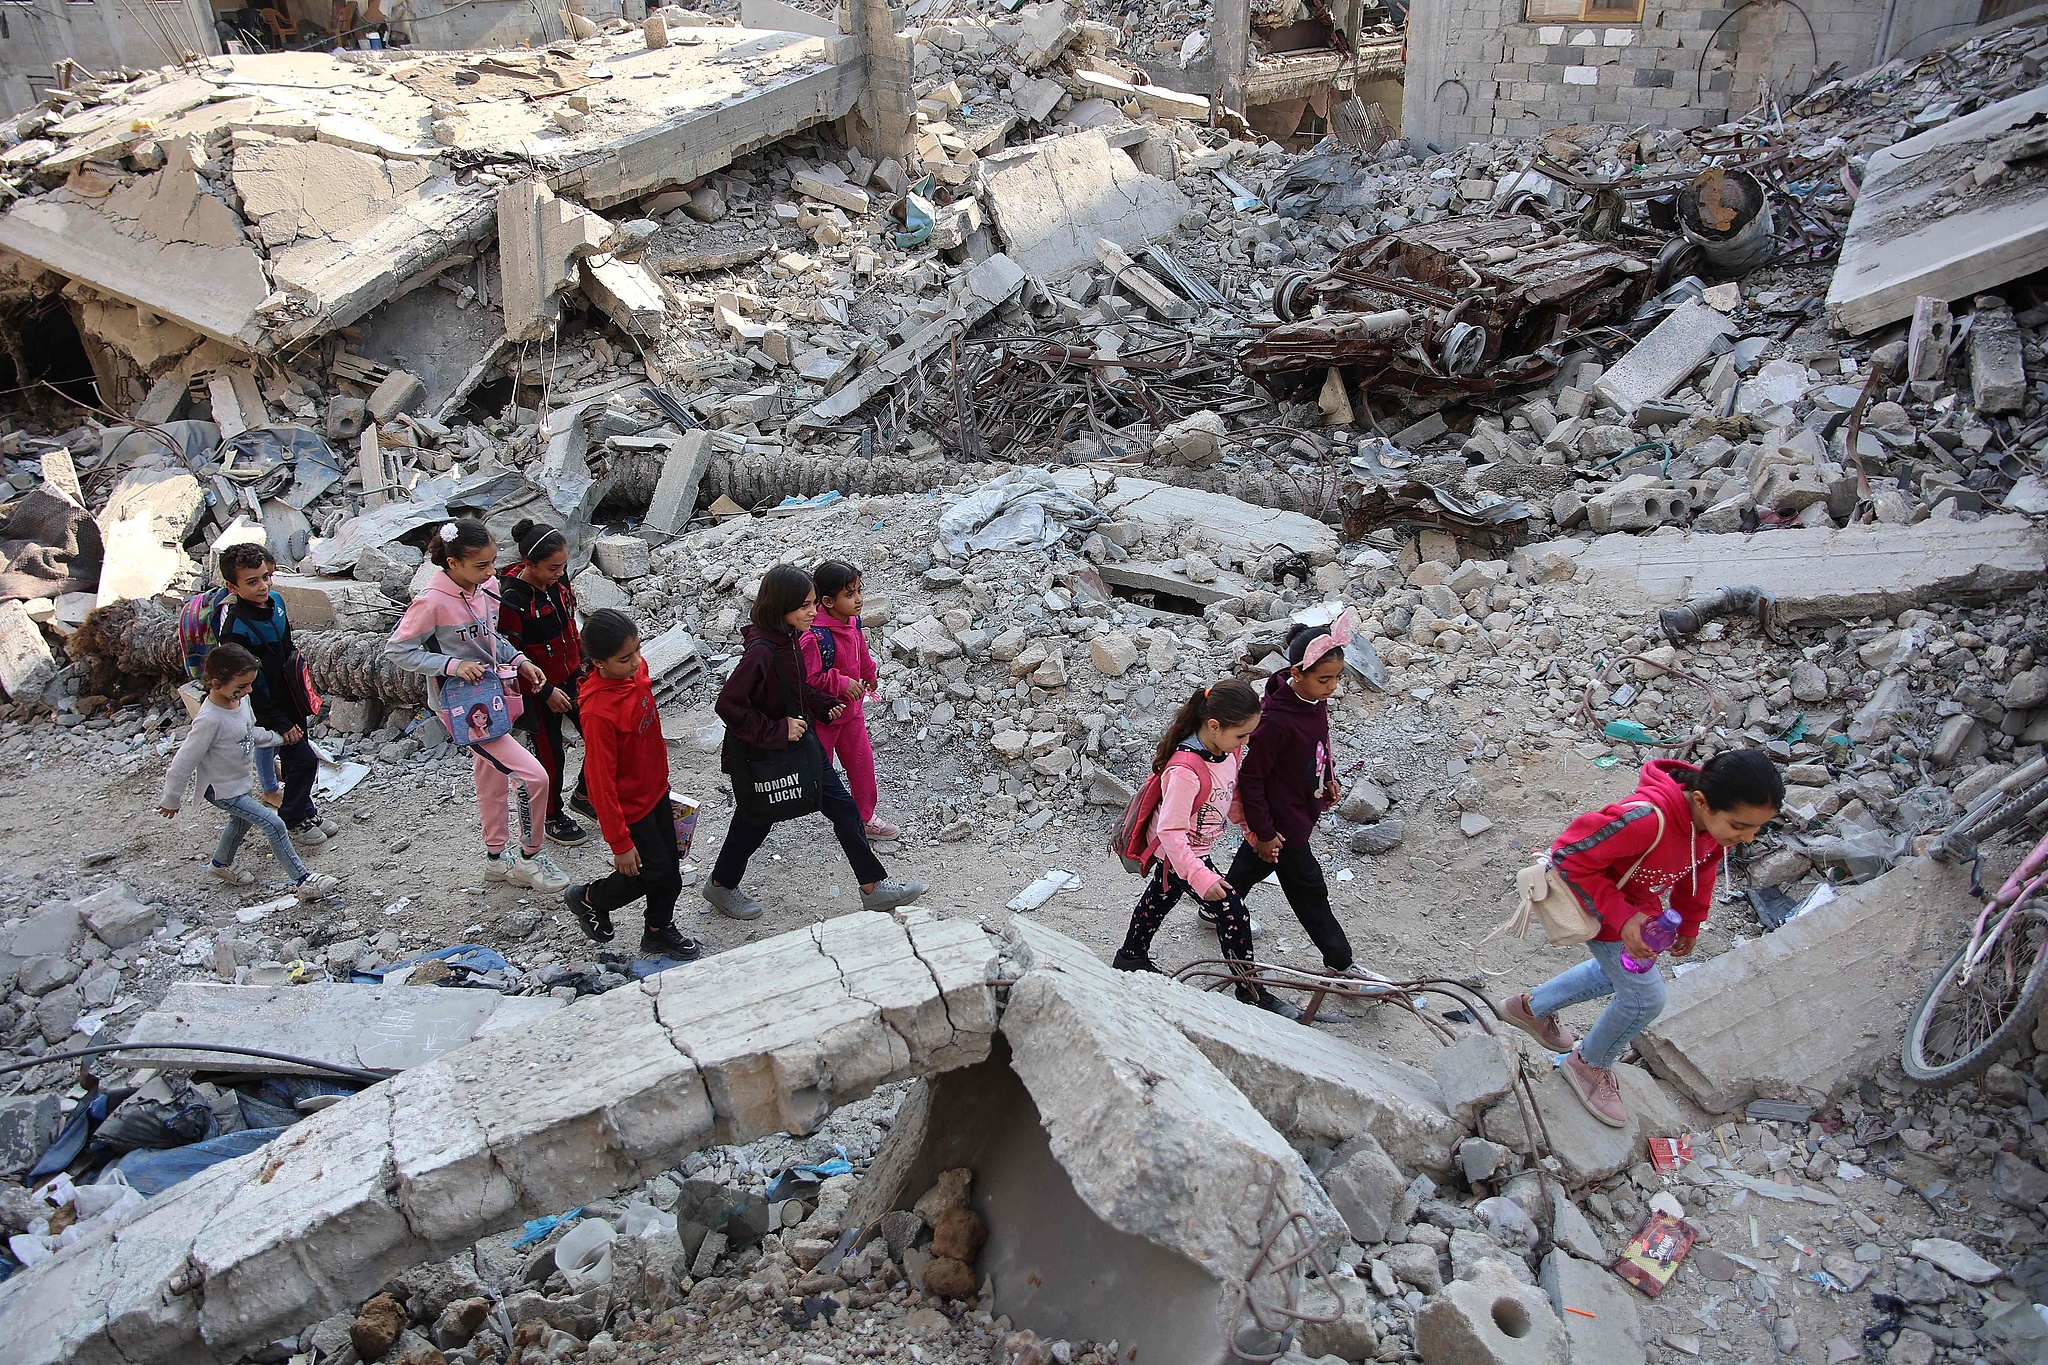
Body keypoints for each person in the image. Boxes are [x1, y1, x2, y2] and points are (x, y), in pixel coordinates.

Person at [1500, 750, 1784, 1128]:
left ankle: (1532, 1008)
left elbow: (1700, 872)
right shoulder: (1645, 819)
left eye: (1756, 829)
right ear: (1701, 801)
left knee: (1615, 972)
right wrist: (1623, 916)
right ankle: (1588, 1065)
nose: (1746, 837)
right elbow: (1568, 855)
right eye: (1739, 826)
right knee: (1645, 999)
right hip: (1602, 911)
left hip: (1638, 911)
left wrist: (1690, 922)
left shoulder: (1714, 830)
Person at [705, 564, 928, 921]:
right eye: (805, 606)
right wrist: (778, 730)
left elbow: (796, 687)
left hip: (799, 745)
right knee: (754, 818)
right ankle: (720, 884)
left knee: (842, 808)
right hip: (764, 753)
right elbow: (729, 705)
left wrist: (822, 704)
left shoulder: (788, 639)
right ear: (781, 608)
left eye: (813, 604)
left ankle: (873, 886)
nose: (813, 612)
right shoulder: (761, 652)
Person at [385, 518, 568, 893]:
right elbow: (398, 650)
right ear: (452, 563)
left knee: (491, 777)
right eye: (481, 565)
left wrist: (519, 661)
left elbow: (492, 638)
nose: (490, 571)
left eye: (491, 562)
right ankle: (531, 857)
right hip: (462, 707)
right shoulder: (432, 602)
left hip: (492, 696)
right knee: (535, 777)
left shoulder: (485, 587)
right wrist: (452, 665)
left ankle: (497, 858)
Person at [1112, 679, 1302, 1020]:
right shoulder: (1185, 770)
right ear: (1214, 726)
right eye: (1241, 735)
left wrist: (1253, 832)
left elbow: (1231, 797)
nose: (1245, 743)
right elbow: (1171, 832)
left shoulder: (1226, 751)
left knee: (1161, 897)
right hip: (1181, 853)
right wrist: (1199, 875)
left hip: (1192, 851)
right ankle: (1249, 989)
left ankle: (1130, 956)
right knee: (1232, 911)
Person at [1226, 616, 1361, 980]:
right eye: (1324, 679)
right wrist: (1266, 831)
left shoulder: (1312, 701)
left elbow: (1321, 743)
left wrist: (1328, 777)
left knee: (1251, 866)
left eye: (1337, 677)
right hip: (1283, 823)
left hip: (1299, 809)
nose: (1332, 687)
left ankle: (1217, 907)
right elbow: (1251, 780)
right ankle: (1340, 961)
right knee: (1310, 892)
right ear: (1296, 673)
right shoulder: (1274, 722)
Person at [563, 609, 700, 961]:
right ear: (599, 662)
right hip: (630, 810)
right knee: (650, 874)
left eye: (638, 650)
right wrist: (619, 842)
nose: (638, 662)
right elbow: (599, 781)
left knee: (669, 871)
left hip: (656, 793)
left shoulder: (637, 673)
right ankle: (591, 899)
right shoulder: (596, 712)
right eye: (625, 658)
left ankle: (657, 932)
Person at [158, 644, 340, 899]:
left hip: (239, 781)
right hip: (221, 788)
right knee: (273, 823)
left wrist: (277, 738)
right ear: (215, 682)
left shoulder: (240, 704)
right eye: (242, 686)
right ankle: (303, 880)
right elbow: (184, 761)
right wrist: (171, 798)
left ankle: (220, 865)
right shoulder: (209, 720)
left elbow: (248, 734)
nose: (248, 691)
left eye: (250, 685)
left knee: (241, 821)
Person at [215, 543, 333, 846]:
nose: (263, 586)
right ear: (233, 586)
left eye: (266, 577)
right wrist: (277, 720)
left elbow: (287, 648)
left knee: (298, 759)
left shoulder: (277, 602)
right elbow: (246, 685)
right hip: (267, 706)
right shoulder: (235, 628)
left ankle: (306, 810)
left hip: (292, 696)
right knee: (303, 760)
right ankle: (293, 819)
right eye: (252, 582)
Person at [497, 519, 592, 847]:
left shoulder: (557, 581)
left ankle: (584, 794)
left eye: (562, 566)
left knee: (599, 737)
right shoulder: (512, 600)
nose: (559, 573)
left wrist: (584, 660)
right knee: (551, 756)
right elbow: (509, 656)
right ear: (528, 565)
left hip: (573, 676)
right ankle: (552, 816)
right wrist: (545, 690)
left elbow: (569, 624)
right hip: (539, 691)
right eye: (552, 568)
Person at [800, 560, 897, 840]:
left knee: (862, 765)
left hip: (852, 713)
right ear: (828, 601)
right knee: (821, 774)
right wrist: (842, 682)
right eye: (850, 594)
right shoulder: (814, 636)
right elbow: (809, 679)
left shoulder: (852, 622)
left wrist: (869, 673)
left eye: (858, 591)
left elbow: (860, 650)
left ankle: (864, 818)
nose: (859, 599)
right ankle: (834, 815)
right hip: (825, 717)